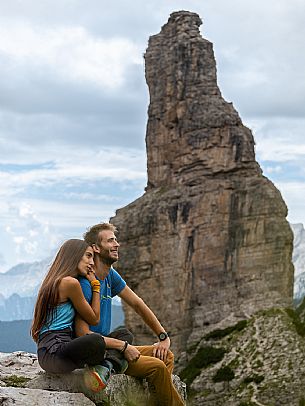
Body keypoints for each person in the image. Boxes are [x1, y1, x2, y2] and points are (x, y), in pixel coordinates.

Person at [75, 223, 185, 406]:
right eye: (110, 241)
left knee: (166, 356)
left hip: (109, 347)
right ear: (96, 248)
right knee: (157, 367)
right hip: (96, 354)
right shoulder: (86, 283)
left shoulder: (110, 275)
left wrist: (163, 336)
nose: (117, 244)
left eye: (116, 240)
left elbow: (137, 303)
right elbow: (82, 333)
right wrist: (123, 347)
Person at [31, 239, 117, 392]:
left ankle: (105, 365)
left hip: (58, 351)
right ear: (75, 256)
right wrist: (95, 285)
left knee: (123, 334)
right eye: (88, 256)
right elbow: (94, 318)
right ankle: (107, 365)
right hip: (54, 352)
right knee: (96, 341)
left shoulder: (57, 280)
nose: (92, 263)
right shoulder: (69, 283)